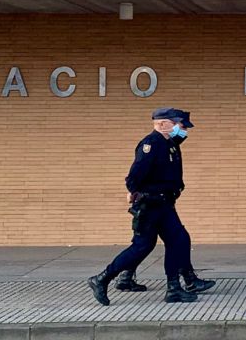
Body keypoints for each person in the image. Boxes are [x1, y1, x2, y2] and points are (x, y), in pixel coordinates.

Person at [88, 107, 216, 305]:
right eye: (179, 125)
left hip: (164, 204)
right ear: (163, 124)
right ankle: (102, 278)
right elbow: (134, 176)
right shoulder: (151, 144)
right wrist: (135, 193)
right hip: (151, 205)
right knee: (142, 246)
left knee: (179, 240)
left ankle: (174, 288)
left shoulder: (170, 144)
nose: (183, 130)